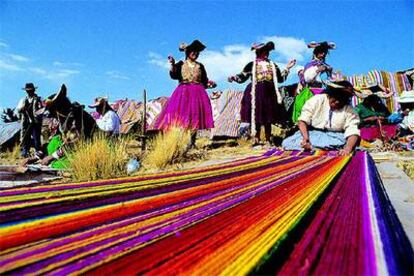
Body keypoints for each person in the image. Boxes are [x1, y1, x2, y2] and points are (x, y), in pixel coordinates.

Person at [228, 41, 296, 145]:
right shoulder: (251, 65)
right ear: (258, 52)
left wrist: (287, 68)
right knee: (256, 116)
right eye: (264, 51)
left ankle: (268, 139)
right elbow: (243, 76)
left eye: (267, 51)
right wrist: (234, 78)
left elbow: (280, 79)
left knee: (268, 117)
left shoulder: (273, 65)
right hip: (255, 92)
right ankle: (256, 139)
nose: (266, 53)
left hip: (269, 93)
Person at [153, 39, 216, 145]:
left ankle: (192, 142)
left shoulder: (200, 66)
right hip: (184, 93)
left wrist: (210, 84)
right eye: (193, 51)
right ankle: (181, 141)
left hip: (197, 93)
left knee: (195, 117)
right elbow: (174, 75)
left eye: (197, 52)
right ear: (188, 52)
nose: (195, 53)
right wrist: (172, 64)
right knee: (183, 117)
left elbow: (204, 81)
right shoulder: (181, 64)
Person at [282, 80, 360, 155]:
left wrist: (348, 149)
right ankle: (316, 147)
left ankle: (316, 148)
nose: (338, 102)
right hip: (311, 135)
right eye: (336, 98)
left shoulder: (349, 110)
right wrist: (306, 139)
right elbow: (303, 120)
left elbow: (352, 129)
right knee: (288, 143)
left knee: (345, 142)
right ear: (330, 94)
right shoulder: (317, 100)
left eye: (342, 99)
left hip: (335, 137)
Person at [292, 41, 336, 123]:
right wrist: (317, 69)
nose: (323, 54)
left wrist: (329, 72)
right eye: (321, 52)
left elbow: (329, 79)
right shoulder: (311, 65)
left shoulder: (326, 66)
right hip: (311, 91)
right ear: (316, 53)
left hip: (323, 91)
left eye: (324, 53)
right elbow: (307, 79)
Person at [16, 83, 43, 157]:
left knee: (36, 137)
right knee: (25, 136)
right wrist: (22, 109)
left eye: (30, 90)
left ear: (34, 90)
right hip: (26, 121)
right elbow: (18, 109)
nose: (29, 92)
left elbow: (44, 109)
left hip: (36, 121)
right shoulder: (23, 100)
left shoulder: (39, 99)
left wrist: (39, 112)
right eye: (28, 91)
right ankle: (25, 152)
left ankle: (38, 152)